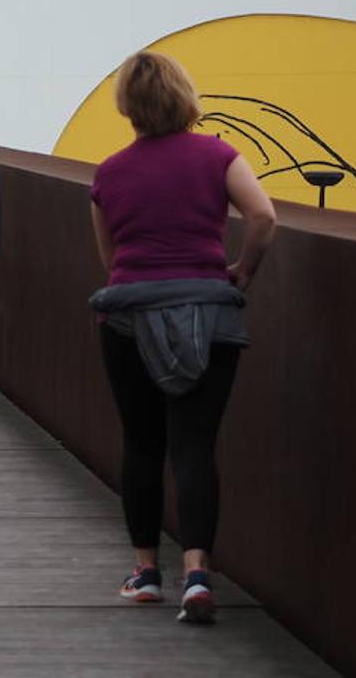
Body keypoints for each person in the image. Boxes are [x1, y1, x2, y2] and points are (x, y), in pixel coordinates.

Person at [87, 51, 276, 625]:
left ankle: (145, 572)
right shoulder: (219, 155)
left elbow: (111, 259)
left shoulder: (109, 173)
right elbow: (263, 216)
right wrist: (241, 270)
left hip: (130, 319)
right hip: (208, 312)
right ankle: (197, 573)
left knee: (142, 442)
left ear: (129, 106)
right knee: (194, 443)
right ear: (184, 96)